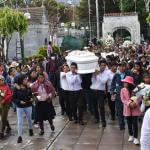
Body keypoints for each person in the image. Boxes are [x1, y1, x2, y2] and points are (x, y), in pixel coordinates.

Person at [13, 74, 34, 143]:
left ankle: (30, 129)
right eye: (24, 79)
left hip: (28, 105)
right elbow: (14, 98)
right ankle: (20, 136)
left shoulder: (28, 87)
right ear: (21, 80)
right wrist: (19, 101)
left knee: (29, 119)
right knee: (20, 122)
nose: (26, 80)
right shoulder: (16, 88)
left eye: (26, 79)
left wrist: (31, 98)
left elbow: (31, 95)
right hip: (20, 107)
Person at [121, 76, 141, 145]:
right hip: (127, 109)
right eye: (124, 82)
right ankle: (131, 135)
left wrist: (135, 103)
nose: (124, 83)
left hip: (135, 109)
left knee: (135, 124)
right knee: (129, 123)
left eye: (126, 82)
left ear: (129, 83)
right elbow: (123, 99)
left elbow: (139, 98)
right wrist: (129, 103)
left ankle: (136, 138)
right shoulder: (123, 90)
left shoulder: (135, 90)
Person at [111, 62, 131, 130]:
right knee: (119, 111)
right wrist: (112, 93)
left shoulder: (129, 74)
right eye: (120, 66)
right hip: (118, 95)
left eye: (123, 66)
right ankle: (121, 125)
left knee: (128, 111)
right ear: (118, 67)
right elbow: (113, 84)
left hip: (127, 95)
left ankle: (129, 125)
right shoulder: (116, 75)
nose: (122, 68)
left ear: (126, 67)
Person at [90, 60, 109, 127]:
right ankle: (96, 118)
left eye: (104, 65)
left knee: (101, 106)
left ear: (106, 66)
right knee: (94, 105)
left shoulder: (107, 72)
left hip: (100, 91)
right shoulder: (96, 71)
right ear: (99, 65)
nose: (102, 67)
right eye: (101, 65)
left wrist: (98, 75)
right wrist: (94, 75)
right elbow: (92, 81)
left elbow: (103, 81)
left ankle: (103, 121)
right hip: (93, 90)